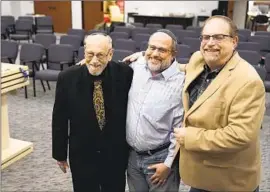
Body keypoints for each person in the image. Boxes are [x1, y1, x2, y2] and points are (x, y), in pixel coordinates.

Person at [173, 15, 265, 192]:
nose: (210, 43)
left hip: (229, 180)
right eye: (206, 37)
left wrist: (190, 137)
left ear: (234, 41)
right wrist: (149, 56)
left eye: (218, 37)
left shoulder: (248, 81)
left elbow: (239, 135)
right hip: (201, 174)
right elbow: (183, 68)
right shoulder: (199, 59)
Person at [52, 33, 133, 192]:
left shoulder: (125, 73)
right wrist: (59, 154)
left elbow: (152, 63)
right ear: (84, 53)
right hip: (82, 154)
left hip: (115, 154)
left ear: (110, 54)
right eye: (90, 54)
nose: (95, 60)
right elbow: (59, 119)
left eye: (100, 55)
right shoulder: (67, 77)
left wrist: (142, 54)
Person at [125, 29, 184, 192]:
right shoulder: (137, 65)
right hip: (133, 157)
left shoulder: (181, 83)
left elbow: (180, 128)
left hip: (160, 159)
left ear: (173, 53)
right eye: (152, 47)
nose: (155, 54)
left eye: (162, 50)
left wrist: (168, 164)